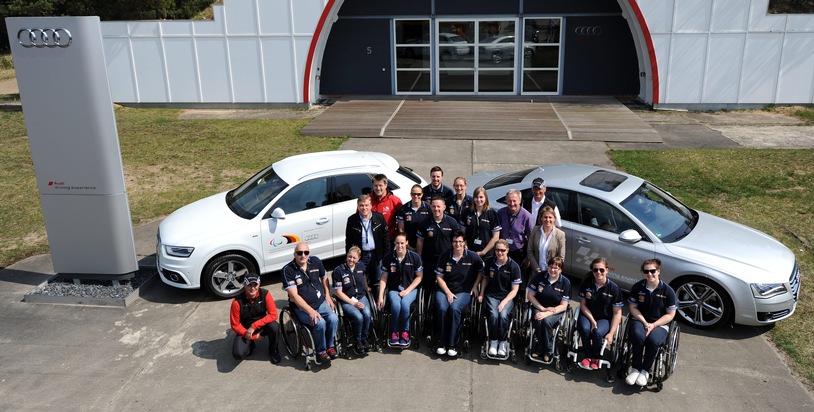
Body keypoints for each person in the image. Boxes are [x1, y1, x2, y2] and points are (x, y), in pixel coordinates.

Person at [282, 242, 339, 364]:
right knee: (320, 323)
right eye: (299, 253)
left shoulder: (316, 261)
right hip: (302, 308)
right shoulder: (288, 270)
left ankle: (330, 346)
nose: (303, 255)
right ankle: (321, 351)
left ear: (309, 253)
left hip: (321, 302)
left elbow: (324, 277)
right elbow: (294, 296)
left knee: (334, 318)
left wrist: (328, 295)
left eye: (306, 252)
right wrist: (310, 311)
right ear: (294, 254)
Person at [625, 259, 677, 387]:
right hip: (640, 319)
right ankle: (636, 368)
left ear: (658, 271)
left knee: (653, 341)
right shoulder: (637, 287)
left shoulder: (668, 291)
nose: (650, 274)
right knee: (638, 336)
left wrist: (653, 325)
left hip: (660, 323)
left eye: (652, 271)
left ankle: (645, 371)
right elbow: (633, 308)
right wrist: (644, 322)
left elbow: (670, 314)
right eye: (646, 271)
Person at [435, 231, 484, 357]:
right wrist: (448, 292)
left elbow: (481, 271)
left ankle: (452, 344)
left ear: (464, 243)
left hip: (464, 291)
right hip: (445, 289)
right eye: (455, 241)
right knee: (441, 308)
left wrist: (475, 286)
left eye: (460, 242)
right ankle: (441, 342)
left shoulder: (472, 256)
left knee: (454, 308)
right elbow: (439, 277)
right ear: (452, 243)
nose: (458, 244)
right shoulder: (445, 256)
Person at [576, 257, 623, 370]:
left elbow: (617, 314)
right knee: (584, 328)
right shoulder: (586, 283)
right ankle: (588, 356)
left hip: (605, 318)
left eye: (601, 270)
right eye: (595, 270)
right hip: (587, 315)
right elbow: (583, 305)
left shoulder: (614, 289)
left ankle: (596, 358)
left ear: (607, 270)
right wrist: (592, 320)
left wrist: (611, 333)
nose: (598, 272)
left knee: (597, 333)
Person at [378, 232, 423, 347]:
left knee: (405, 305)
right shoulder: (388, 258)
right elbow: (384, 277)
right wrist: (380, 296)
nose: (400, 246)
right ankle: (394, 332)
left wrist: (408, 290)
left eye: (402, 243)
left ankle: (405, 332)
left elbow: (419, 276)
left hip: (411, 289)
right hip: (394, 290)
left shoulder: (414, 257)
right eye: (397, 243)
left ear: (407, 243)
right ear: (394, 243)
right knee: (396, 306)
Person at [478, 239, 521, 357]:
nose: (500, 253)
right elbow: (485, 279)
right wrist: (481, 293)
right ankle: (493, 341)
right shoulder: (489, 262)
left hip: (507, 297)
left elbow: (515, 290)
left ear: (507, 251)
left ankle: (502, 343)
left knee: (503, 316)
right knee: (493, 315)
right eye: (497, 250)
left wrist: (504, 302)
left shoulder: (514, 267)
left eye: (502, 250)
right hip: (491, 295)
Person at [526, 256, 571, 363]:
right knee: (538, 319)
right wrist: (543, 309)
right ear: (547, 266)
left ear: (561, 270)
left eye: (556, 268)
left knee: (546, 321)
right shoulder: (539, 277)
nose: (553, 270)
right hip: (539, 306)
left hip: (556, 310)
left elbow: (564, 306)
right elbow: (530, 296)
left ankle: (548, 350)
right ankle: (540, 347)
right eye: (551, 267)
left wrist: (547, 313)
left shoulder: (565, 283)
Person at [229, 275, 281, 364]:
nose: (253, 288)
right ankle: (251, 345)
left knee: (274, 326)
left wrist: (254, 326)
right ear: (244, 285)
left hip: (262, 326)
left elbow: (273, 315)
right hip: (246, 330)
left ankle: (273, 351)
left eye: (255, 285)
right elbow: (235, 325)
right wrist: (251, 336)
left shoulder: (265, 294)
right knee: (238, 354)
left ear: (259, 284)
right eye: (249, 285)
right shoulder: (236, 302)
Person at [416, 195, 463, 290]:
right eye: (434, 206)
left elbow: (459, 240)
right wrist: (419, 257)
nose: (436, 209)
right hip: (429, 259)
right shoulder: (425, 223)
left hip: (447, 259)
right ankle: (427, 303)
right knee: (428, 284)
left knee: (445, 285)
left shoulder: (452, 222)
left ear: (444, 207)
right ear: (430, 207)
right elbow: (420, 241)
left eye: (438, 206)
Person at [332, 246, 372, 355]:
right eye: (350, 257)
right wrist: (354, 303)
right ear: (346, 256)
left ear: (358, 259)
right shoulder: (338, 271)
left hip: (360, 296)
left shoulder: (361, 267)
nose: (351, 260)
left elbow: (364, 279)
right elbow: (338, 292)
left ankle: (365, 338)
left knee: (367, 314)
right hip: (347, 300)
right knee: (358, 317)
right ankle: (357, 340)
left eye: (354, 258)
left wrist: (367, 287)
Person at [346, 194, 390, 293]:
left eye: (366, 205)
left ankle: (379, 304)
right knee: (361, 281)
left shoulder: (379, 217)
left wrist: (386, 256)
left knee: (377, 281)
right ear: (357, 207)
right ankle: (366, 303)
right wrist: (350, 257)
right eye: (361, 205)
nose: (364, 208)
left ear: (371, 206)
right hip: (361, 256)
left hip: (377, 256)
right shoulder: (352, 220)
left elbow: (386, 238)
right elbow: (348, 241)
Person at [526, 206, 566, 283]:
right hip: (536, 273)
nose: (547, 220)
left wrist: (552, 270)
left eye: (550, 217)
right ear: (541, 218)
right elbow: (530, 251)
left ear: (554, 219)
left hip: (552, 274)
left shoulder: (560, 235)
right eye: (545, 217)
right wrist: (537, 269)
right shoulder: (535, 230)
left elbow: (561, 257)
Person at [497, 189, 534, 266]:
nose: (512, 203)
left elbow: (531, 238)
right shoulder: (500, 213)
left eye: (514, 201)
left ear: (520, 201)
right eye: (509, 201)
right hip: (502, 251)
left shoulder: (527, 216)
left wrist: (528, 257)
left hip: (518, 252)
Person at [463, 186, 501, 260]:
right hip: (469, 252)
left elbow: (495, 237)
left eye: (481, 197)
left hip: (487, 254)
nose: (478, 200)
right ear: (473, 198)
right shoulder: (467, 212)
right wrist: (466, 247)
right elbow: (462, 233)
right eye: (476, 197)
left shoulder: (491, 213)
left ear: (485, 198)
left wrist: (484, 252)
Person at [396, 184, 430, 250]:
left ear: (422, 194)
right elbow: (401, 230)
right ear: (410, 194)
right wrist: (407, 245)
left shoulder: (429, 208)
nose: (416, 196)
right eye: (413, 194)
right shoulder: (403, 209)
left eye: (418, 194)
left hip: (426, 245)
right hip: (409, 245)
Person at [370, 173, 403, 240]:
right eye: (376, 185)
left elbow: (402, 219)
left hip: (388, 239)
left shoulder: (395, 200)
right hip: (371, 240)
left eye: (380, 185)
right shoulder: (367, 200)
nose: (378, 188)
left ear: (386, 185)